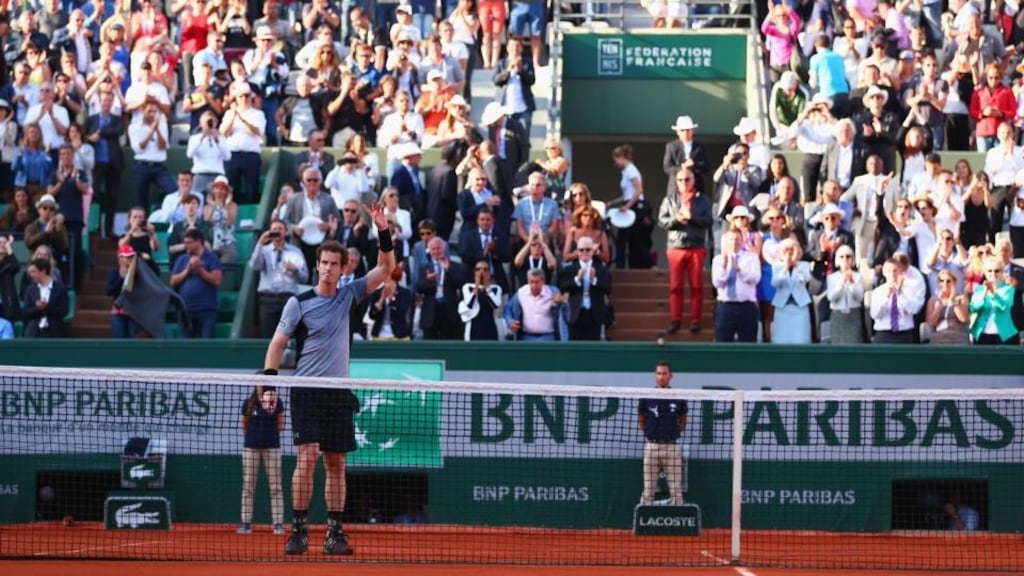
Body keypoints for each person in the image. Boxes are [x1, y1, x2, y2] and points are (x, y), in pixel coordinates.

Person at [262, 200, 395, 556]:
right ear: (317, 265)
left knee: (336, 463)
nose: (328, 269)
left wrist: (382, 228)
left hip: (338, 392)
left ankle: (335, 532)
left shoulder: (350, 294)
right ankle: (299, 529)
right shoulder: (298, 302)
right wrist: (269, 384)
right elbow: (277, 344)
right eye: (324, 263)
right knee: (307, 458)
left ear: (343, 269)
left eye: (335, 264)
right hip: (305, 390)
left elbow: (386, 268)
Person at [658, 167, 712, 334]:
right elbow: (661, 221)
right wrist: (676, 219)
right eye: (680, 180)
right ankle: (676, 319)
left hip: (696, 245)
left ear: (693, 180)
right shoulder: (670, 199)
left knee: (697, 285)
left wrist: (692, 218)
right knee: (676, 286)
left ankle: (695, 320)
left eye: (687, 179)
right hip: (676, 246)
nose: (684, 183)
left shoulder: (702, 199)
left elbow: (708, 220)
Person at [238, 383, 285, 536]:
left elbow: (280, 424)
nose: (261, 385)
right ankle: (246, 523)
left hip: (272, 447)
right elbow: (244, 425)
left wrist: (270, 438)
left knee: (276, 487)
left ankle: (278, 523)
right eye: (258, 382)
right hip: (251, 448)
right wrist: (253, 438)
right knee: (248, 486)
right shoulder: (248, 404)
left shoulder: (276, 403)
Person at [638, 361, 687, 506]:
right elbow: (641, 420)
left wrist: (672, 433)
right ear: (655, 376)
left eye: (665, 373)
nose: (661, 377)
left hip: (672, 447)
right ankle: (644, 524)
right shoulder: (646, 396)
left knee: (676, 491)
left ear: (671, 376)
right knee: (648, 491)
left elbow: (683, 422)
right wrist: (651, 432)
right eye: (658, 373)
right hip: (651, 447)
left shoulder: (679, 397)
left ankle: (678, 524)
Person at [250, 219, 309, 339]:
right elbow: (255, 265)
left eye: (280, 229)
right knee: (268, 337)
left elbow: (305, 277)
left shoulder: (295, 251)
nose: (277, 232)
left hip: (288, 300)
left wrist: (295, 269)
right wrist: (260, 243)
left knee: (288, 337)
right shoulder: (264, 250)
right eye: (274, 229)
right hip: (268, 299)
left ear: (286, 232)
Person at [169, 228, 223, 339]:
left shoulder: (211, 258)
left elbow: (217, 280)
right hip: (185, 310)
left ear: (198, 242)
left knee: (207, 345)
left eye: (189, 243)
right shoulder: (182, 259)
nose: (186, 246)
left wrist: (200, 270)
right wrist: (187, 270)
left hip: (206, 310)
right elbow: (173, 281)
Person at [712, 229, 761, 342]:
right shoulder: (718, 259)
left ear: (742, 241)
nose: (734, 242)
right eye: (731, 239)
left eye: (737, 239)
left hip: (746, 306)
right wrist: (724, 267)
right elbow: (717, 283)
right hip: (725, 306)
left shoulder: (751, 257)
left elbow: (755, 278)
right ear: (726, 241)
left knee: (748, 342)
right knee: (723, 341)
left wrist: (739, 269)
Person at [559, 235, 609, 341]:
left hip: (594, 313)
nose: (584, 252)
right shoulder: (570, 268)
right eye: (581, 250)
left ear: (593, 251)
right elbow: (563, 287)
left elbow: (607, 288)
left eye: (588, 249)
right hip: (575, 313)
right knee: (574, 349)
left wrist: (594, 279)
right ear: (577, 251)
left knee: (593, 349)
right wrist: (577, 279)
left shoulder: (601, 268)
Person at [611, 144, 652, 269]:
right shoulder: (625, 172)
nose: (616, 163)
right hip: (629, 203)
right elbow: (626, 194)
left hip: (635, 206)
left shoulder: (631, 170)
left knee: (627, 238)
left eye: (616, 160)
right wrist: (612, 203)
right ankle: (625, 265)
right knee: (628, 238)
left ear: (622, 157)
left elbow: (639, 190)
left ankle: (624, 266)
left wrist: (628, 206)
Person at [869, 257, 924, 344]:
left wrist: (900, 294)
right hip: (884, 334)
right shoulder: (878, 292)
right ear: (884, 272)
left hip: (904, 334)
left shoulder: (909, 291)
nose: (892, 274)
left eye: (895, 270)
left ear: (900, 272)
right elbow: (875, 314)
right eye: (889, 271)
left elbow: (914, 310)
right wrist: (886, 297)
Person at [503, 268, 568, 341]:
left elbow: (566, 315)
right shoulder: (521, 292)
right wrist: (509, 321)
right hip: (526, 337)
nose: (533, 285)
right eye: (531, 282)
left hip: (547, 337)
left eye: (537, 282)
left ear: (543, 281)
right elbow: (508, 307)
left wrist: (563, 302)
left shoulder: (552, 292)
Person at [770, 238, 813, 344]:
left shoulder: (804, 265)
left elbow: (805, 279)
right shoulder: (777, 266)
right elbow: (775, 283)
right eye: (786, 249)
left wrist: (796, 265)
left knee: (801, 339)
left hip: (799, 308)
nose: (789, 252)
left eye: (792, 249)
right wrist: (785, 267)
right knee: (781, 339)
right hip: (782, 308)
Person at [969, 257, 1020, 345]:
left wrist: (993, 293)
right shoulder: (979, 289)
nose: (993, 274)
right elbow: (973, 308)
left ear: (1002, 272)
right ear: (985, 272)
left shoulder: (1008, 289)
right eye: (989, 271)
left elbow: (1004, 306)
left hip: (1005, 336)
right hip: (982, 335)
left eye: (997, 271)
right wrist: (984, 292)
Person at [826, 244, 865, 344]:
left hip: (853, 314)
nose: (845, 259)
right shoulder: (832, 277)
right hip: (838, 314)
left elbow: (859, 297)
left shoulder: (858, 277)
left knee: (854, 345)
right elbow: (831, 297)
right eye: (842, 257)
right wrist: (841, 284)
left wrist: (852, 283)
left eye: (848, 256)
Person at [21, 257, 69, 338]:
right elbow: (25, 311)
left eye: (33, 272)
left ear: (42, 271)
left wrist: (47, 307)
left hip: (54, 332)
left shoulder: (60, 288)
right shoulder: (30, 289)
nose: (31, 275)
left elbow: (64, 311)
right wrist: (38, 308)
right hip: (34, 333)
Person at [458, 260, 502, 340]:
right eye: (478, 269)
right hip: (474, 328)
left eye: (485, 269)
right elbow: (469, 304)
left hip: (490, 327)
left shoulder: (496, 288)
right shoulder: (468, 287)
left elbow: (495, 305)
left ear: (489, 272)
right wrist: (477, 285)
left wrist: (487, 286)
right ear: (474, 272)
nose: (482, 272)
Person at [926, 268, 970, 345]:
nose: (945, 284)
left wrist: (953, 300)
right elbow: (931, 322)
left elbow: (963, 318)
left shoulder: (962, 298)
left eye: (948, 281)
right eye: (942, 281)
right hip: (939, 335)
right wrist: (940, 305)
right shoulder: (933, 300)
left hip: (958, 335)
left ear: (954, 282)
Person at [107, 244, 140, 338]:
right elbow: (109, 291)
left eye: (132, 256)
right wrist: (121, 279)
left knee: (132, 343)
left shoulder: (138, 274)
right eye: (127, 257)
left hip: (133, 313)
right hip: (118, 313)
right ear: (120, 258)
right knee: (119, 341)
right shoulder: (113, 273)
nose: (130, 259)